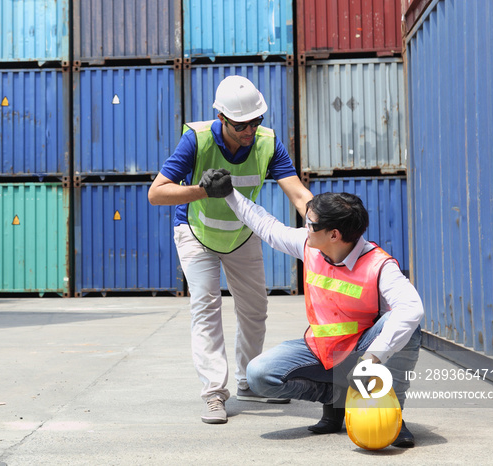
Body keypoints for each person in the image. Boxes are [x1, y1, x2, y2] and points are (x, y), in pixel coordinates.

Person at [201, 171, 422, 447]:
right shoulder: (310, 246)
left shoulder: (379, 265)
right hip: (322, 349)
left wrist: (373, 358)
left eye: (310, 223)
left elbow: (412, 307)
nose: (305, 227)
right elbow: (267, 227)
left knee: (409, 326)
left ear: (334, 234)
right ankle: (336, 396)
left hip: (362, 349)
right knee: (258, 375)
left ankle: (393, 415)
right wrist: (230, 195)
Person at [148, 75, 313, 425]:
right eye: (241, 124)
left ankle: (250, 383)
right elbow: (156, 193)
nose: (250, 130)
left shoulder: (268, 143)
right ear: (221, 118)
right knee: (206, 307)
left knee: (255, 309)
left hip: (242, 234)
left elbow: (298, 193)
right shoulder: (197, 139)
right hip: (197, 232)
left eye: (256, 121)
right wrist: (202, 190)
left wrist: (325, 223)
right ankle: (213, 393)